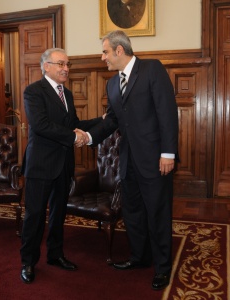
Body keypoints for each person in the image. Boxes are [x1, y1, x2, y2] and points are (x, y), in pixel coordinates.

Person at [83, 30, 179, 290]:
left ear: (119, 50)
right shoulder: (112, 84)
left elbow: (167, 112)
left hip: (156, 160)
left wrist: (168, 153)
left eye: (104, 52)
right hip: (128, 161)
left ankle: (162, 267)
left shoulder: (152, 69)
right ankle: (139, 258)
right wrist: (90, 137)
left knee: (157, 214)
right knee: (134, 213)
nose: (102, 57)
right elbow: (112, 121)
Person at [20, 48, 103, 284]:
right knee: (35, 215)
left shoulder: (66, 93)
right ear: (46, 66)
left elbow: (73, 124)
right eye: (61, 64)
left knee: (59, 213)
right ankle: (28, 262)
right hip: (40, 165)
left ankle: (56, 255)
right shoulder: (33, 92)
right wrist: (73, 137)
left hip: (64, 164)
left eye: (68, 64)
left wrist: (100, 121)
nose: (66, 68)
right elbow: (41, 125)